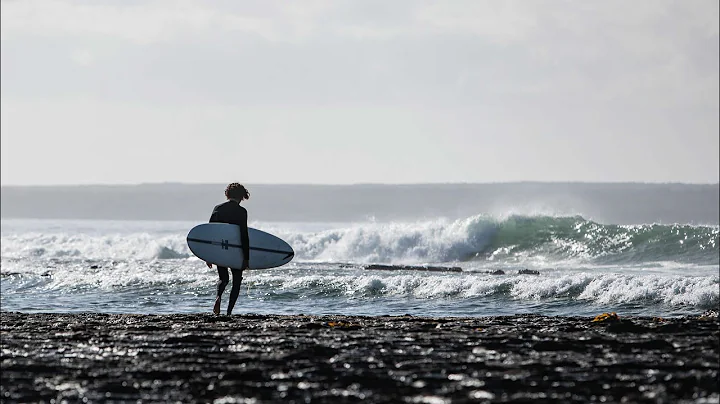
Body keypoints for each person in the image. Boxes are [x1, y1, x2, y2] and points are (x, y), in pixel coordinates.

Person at [207, 183, 250, 315]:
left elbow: (209, 232)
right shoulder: (241, 212)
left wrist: (208, 255)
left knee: (223, 278)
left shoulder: (218, 208)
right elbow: (243, 235)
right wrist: (246, 258)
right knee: (236, 280)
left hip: (220, 249)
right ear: (242, 196)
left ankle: (218, 298)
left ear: (228, 194)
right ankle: (229, 312)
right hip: (235, 251)